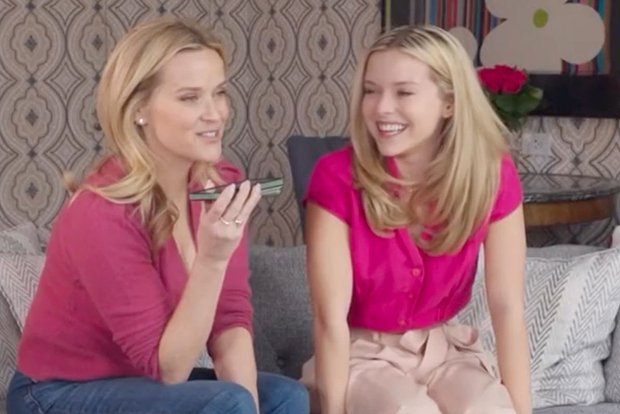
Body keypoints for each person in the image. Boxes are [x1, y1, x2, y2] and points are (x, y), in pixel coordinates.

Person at [7, 17, 308, 414]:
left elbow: (230, 319)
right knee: (227, 401)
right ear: (139, 110)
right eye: (190, 98)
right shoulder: (102, 214)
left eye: (219, 93)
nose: (216, 113)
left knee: (285, 396)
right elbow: (170, 369)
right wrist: (212, 258)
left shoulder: (221, 184)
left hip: (142, 385)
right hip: (55, 393)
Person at [302, 25, 531, 414]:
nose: (381, 108)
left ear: (449, 103)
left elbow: (507, 306)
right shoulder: (335, 176)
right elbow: (329, 320)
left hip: (443, 351)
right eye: (371, 91)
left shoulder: (492, 174)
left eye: (403, 92)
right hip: (360, 355)